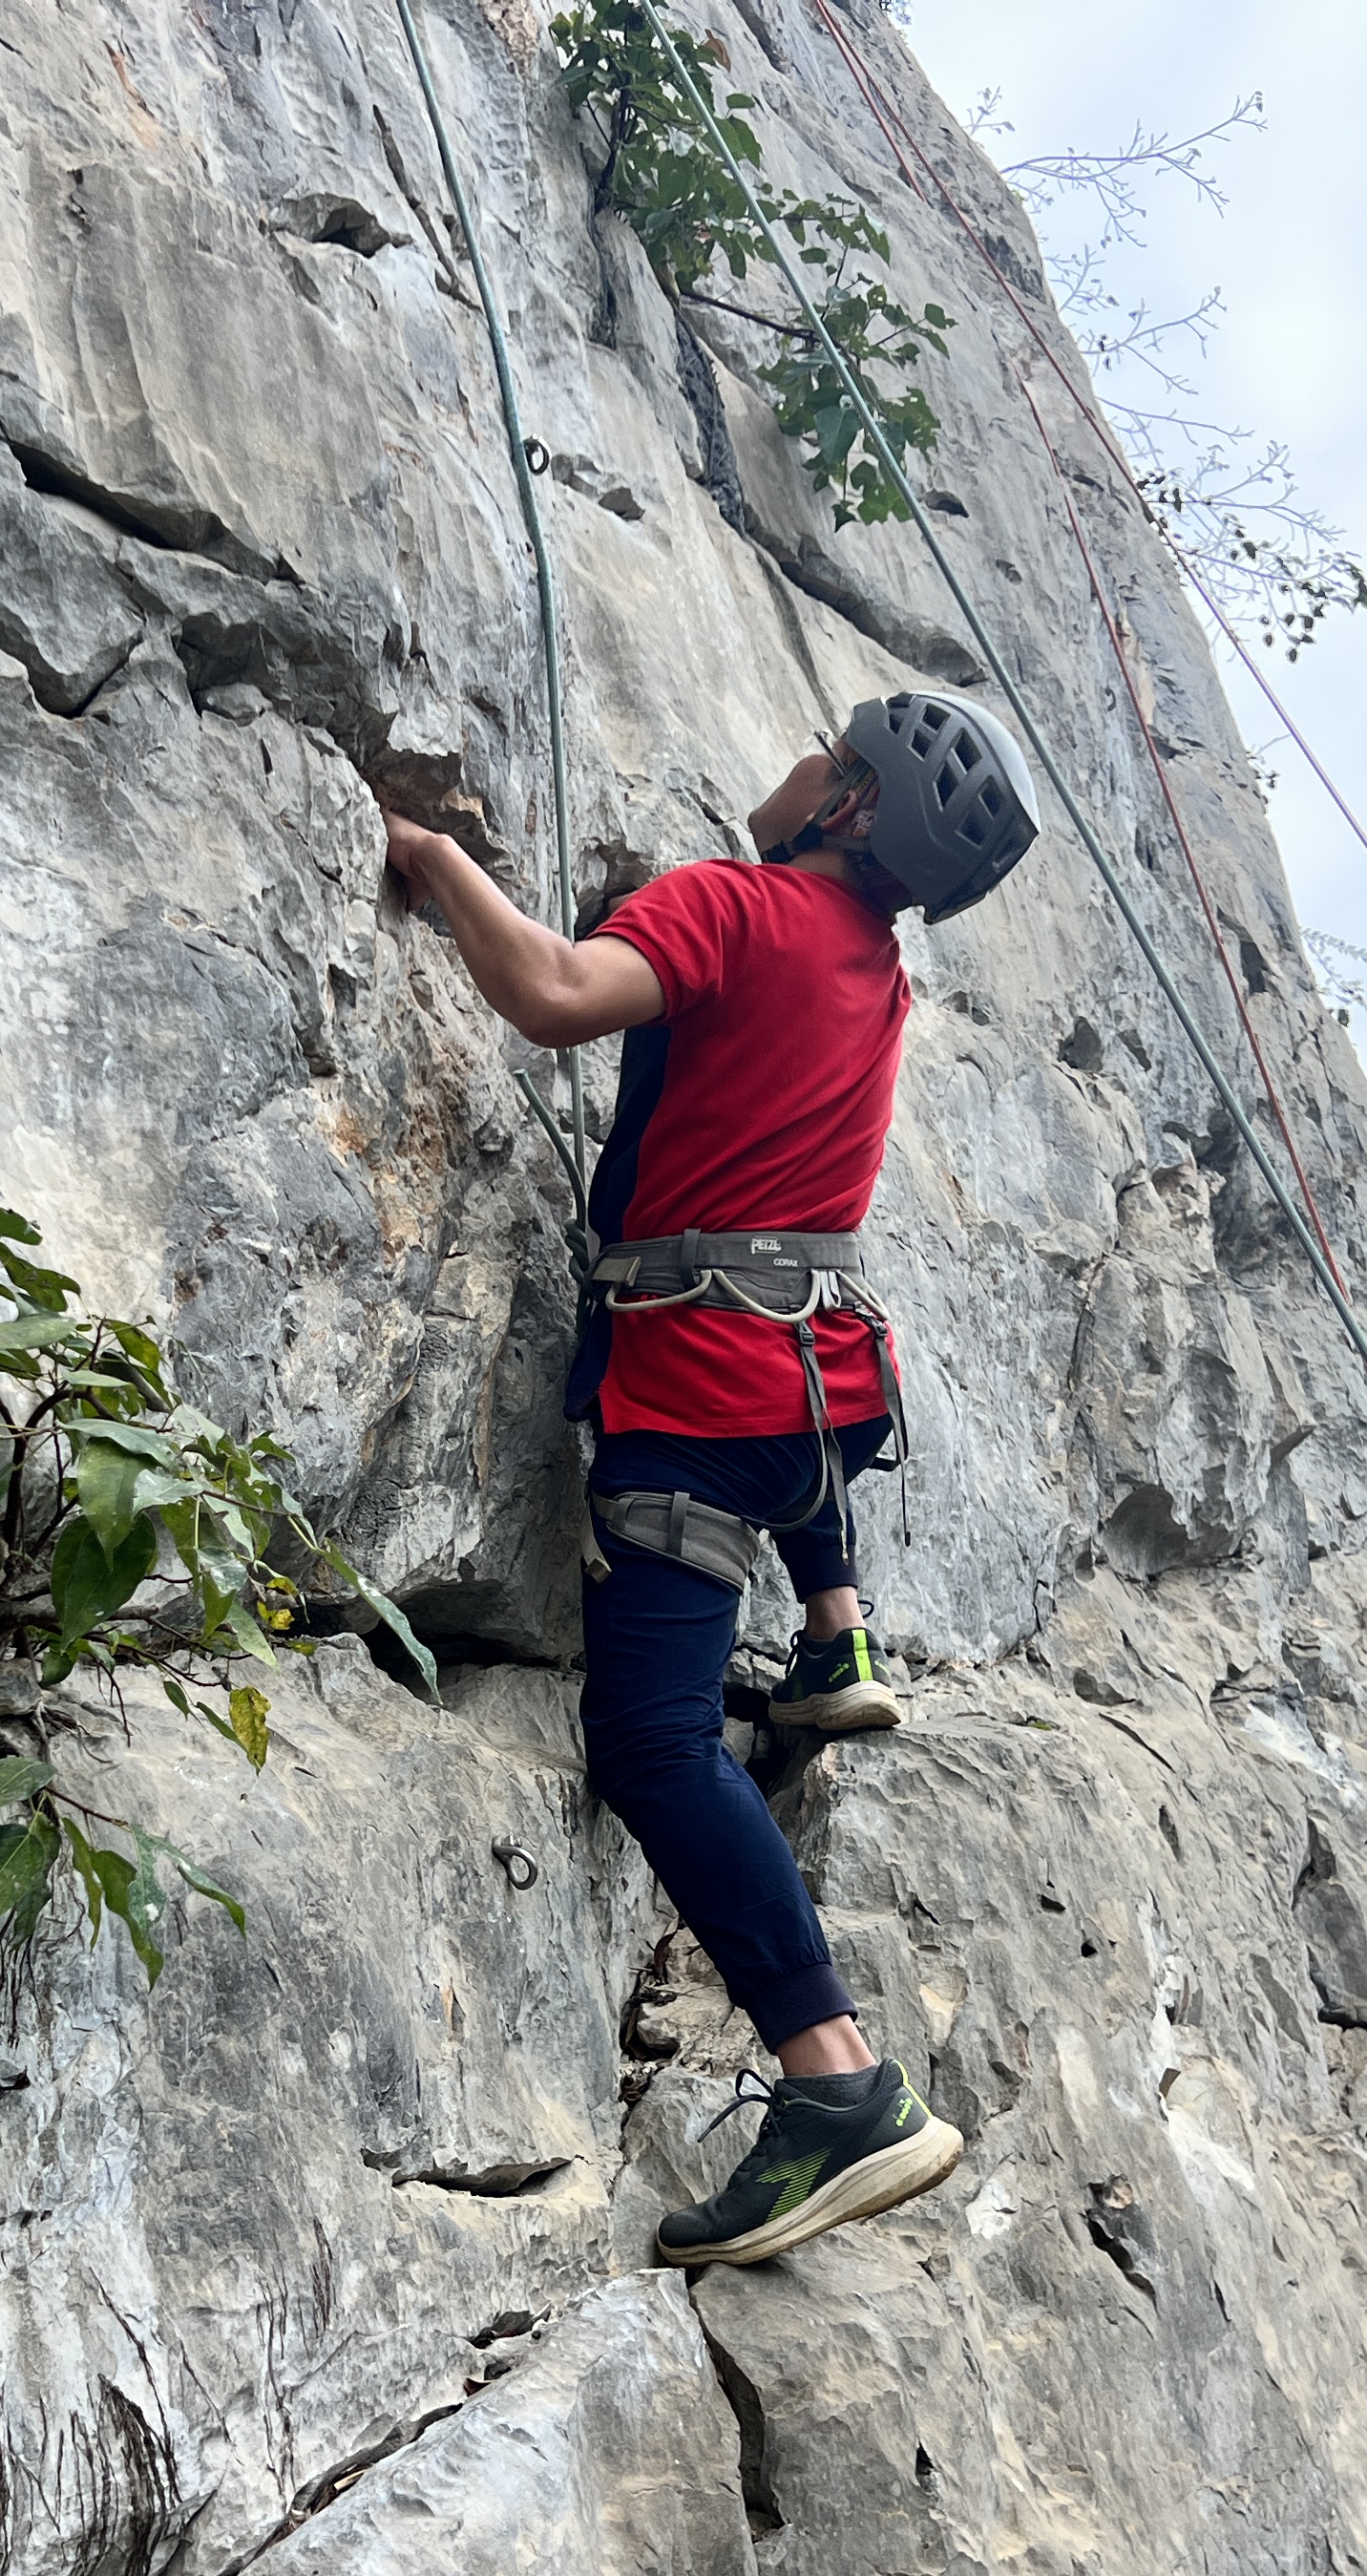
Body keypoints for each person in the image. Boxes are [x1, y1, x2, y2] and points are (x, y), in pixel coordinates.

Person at [378, 693, 1036, 2267]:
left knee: (653, 1739)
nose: (795, 759)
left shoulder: (739, 906)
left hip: (700, 1388)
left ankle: (838, 2080)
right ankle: (836, 1633)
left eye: (827, 751)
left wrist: (432, 859)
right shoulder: (871, 964)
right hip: (813, 1388)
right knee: (689, 1700)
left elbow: (554, 994)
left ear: (850, 805)